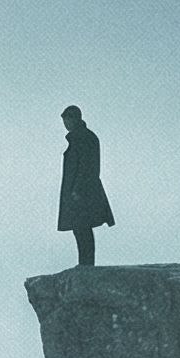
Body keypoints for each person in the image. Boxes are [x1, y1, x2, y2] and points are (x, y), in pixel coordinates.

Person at [57, 105, 114, 265]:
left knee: (82, 227)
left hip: (83, 191)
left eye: (67, 120)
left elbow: (85, 166)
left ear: (74, 118)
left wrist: (77, 189)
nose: (65, 124)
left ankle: (86, 263)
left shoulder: (82, 138)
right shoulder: (82, 137)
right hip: (82, 189)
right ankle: (86, 262)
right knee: (80, 227)